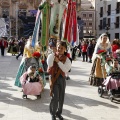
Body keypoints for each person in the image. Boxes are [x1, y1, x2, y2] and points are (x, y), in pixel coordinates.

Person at [47, 41, 71, 120]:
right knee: (55, 97)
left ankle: (58, 113)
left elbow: (65, 69)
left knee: (61, 97)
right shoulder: (52, 55)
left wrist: (58, 62)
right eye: (58, 47)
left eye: (62, 48)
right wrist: (53, 54)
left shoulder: (67, 59)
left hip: (61, 78)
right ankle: (53, 114)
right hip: (53, 78)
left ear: (65, 49)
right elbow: (49, 64)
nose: (60, 49)